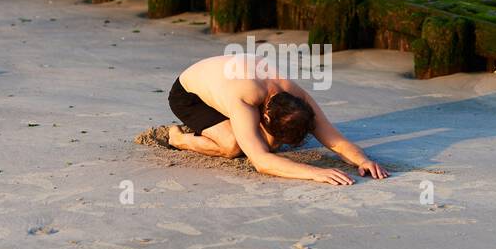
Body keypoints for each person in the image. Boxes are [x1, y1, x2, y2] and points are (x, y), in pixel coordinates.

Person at [166, 53, 389, 185]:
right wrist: (316, 173)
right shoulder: (246, 97)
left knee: (263, 142)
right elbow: (261, 162)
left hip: (222, 84)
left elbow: (336, 141)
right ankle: (178, 138)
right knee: (233, 146)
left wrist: (362, 160)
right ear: (264, 116)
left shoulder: (299, 97)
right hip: (189, 95)